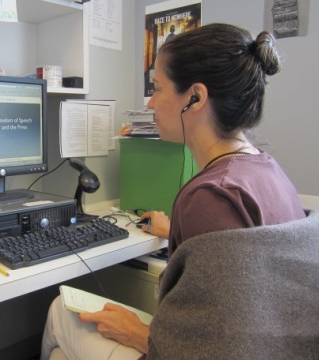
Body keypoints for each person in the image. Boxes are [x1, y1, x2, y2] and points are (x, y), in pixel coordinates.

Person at [40, 23, 316, 360]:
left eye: (157, 89)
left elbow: (208, 350)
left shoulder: (210, 196)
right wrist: (174, 231)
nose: (151, 103)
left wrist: (141, 334)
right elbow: (246, 259)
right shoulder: (269, 171)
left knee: (59, 311)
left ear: (196, 97)